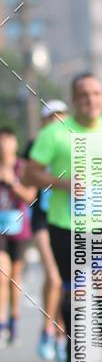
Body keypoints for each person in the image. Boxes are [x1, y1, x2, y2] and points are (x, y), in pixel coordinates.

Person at [25, 73, 102, 362]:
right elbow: (31, 174)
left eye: (97, 93)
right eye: (84, 95)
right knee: (77, 294)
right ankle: (75, 356)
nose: (91, 100)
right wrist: (65, 184)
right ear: (74, 100)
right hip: (65, 224)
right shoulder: (54, 135)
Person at [23, 101, 68, 362]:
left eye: (60, 117)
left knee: (66, 281)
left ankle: (61, 333)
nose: (55, 122)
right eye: (51, 118)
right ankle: (46, 330)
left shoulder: (77, 143)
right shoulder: (34, 147)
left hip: (70, 217)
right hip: (42, 216)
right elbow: (27, 182)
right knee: (52, 275)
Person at [0, 127, 35, 347]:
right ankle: (1, 321)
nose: (4, 144)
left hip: (19, 227)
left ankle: (14, 318)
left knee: (15, 277)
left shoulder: (23, 167)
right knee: (2, 274)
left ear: (14, 143)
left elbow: (30, 196)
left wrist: (12, 181)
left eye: (8, 140)